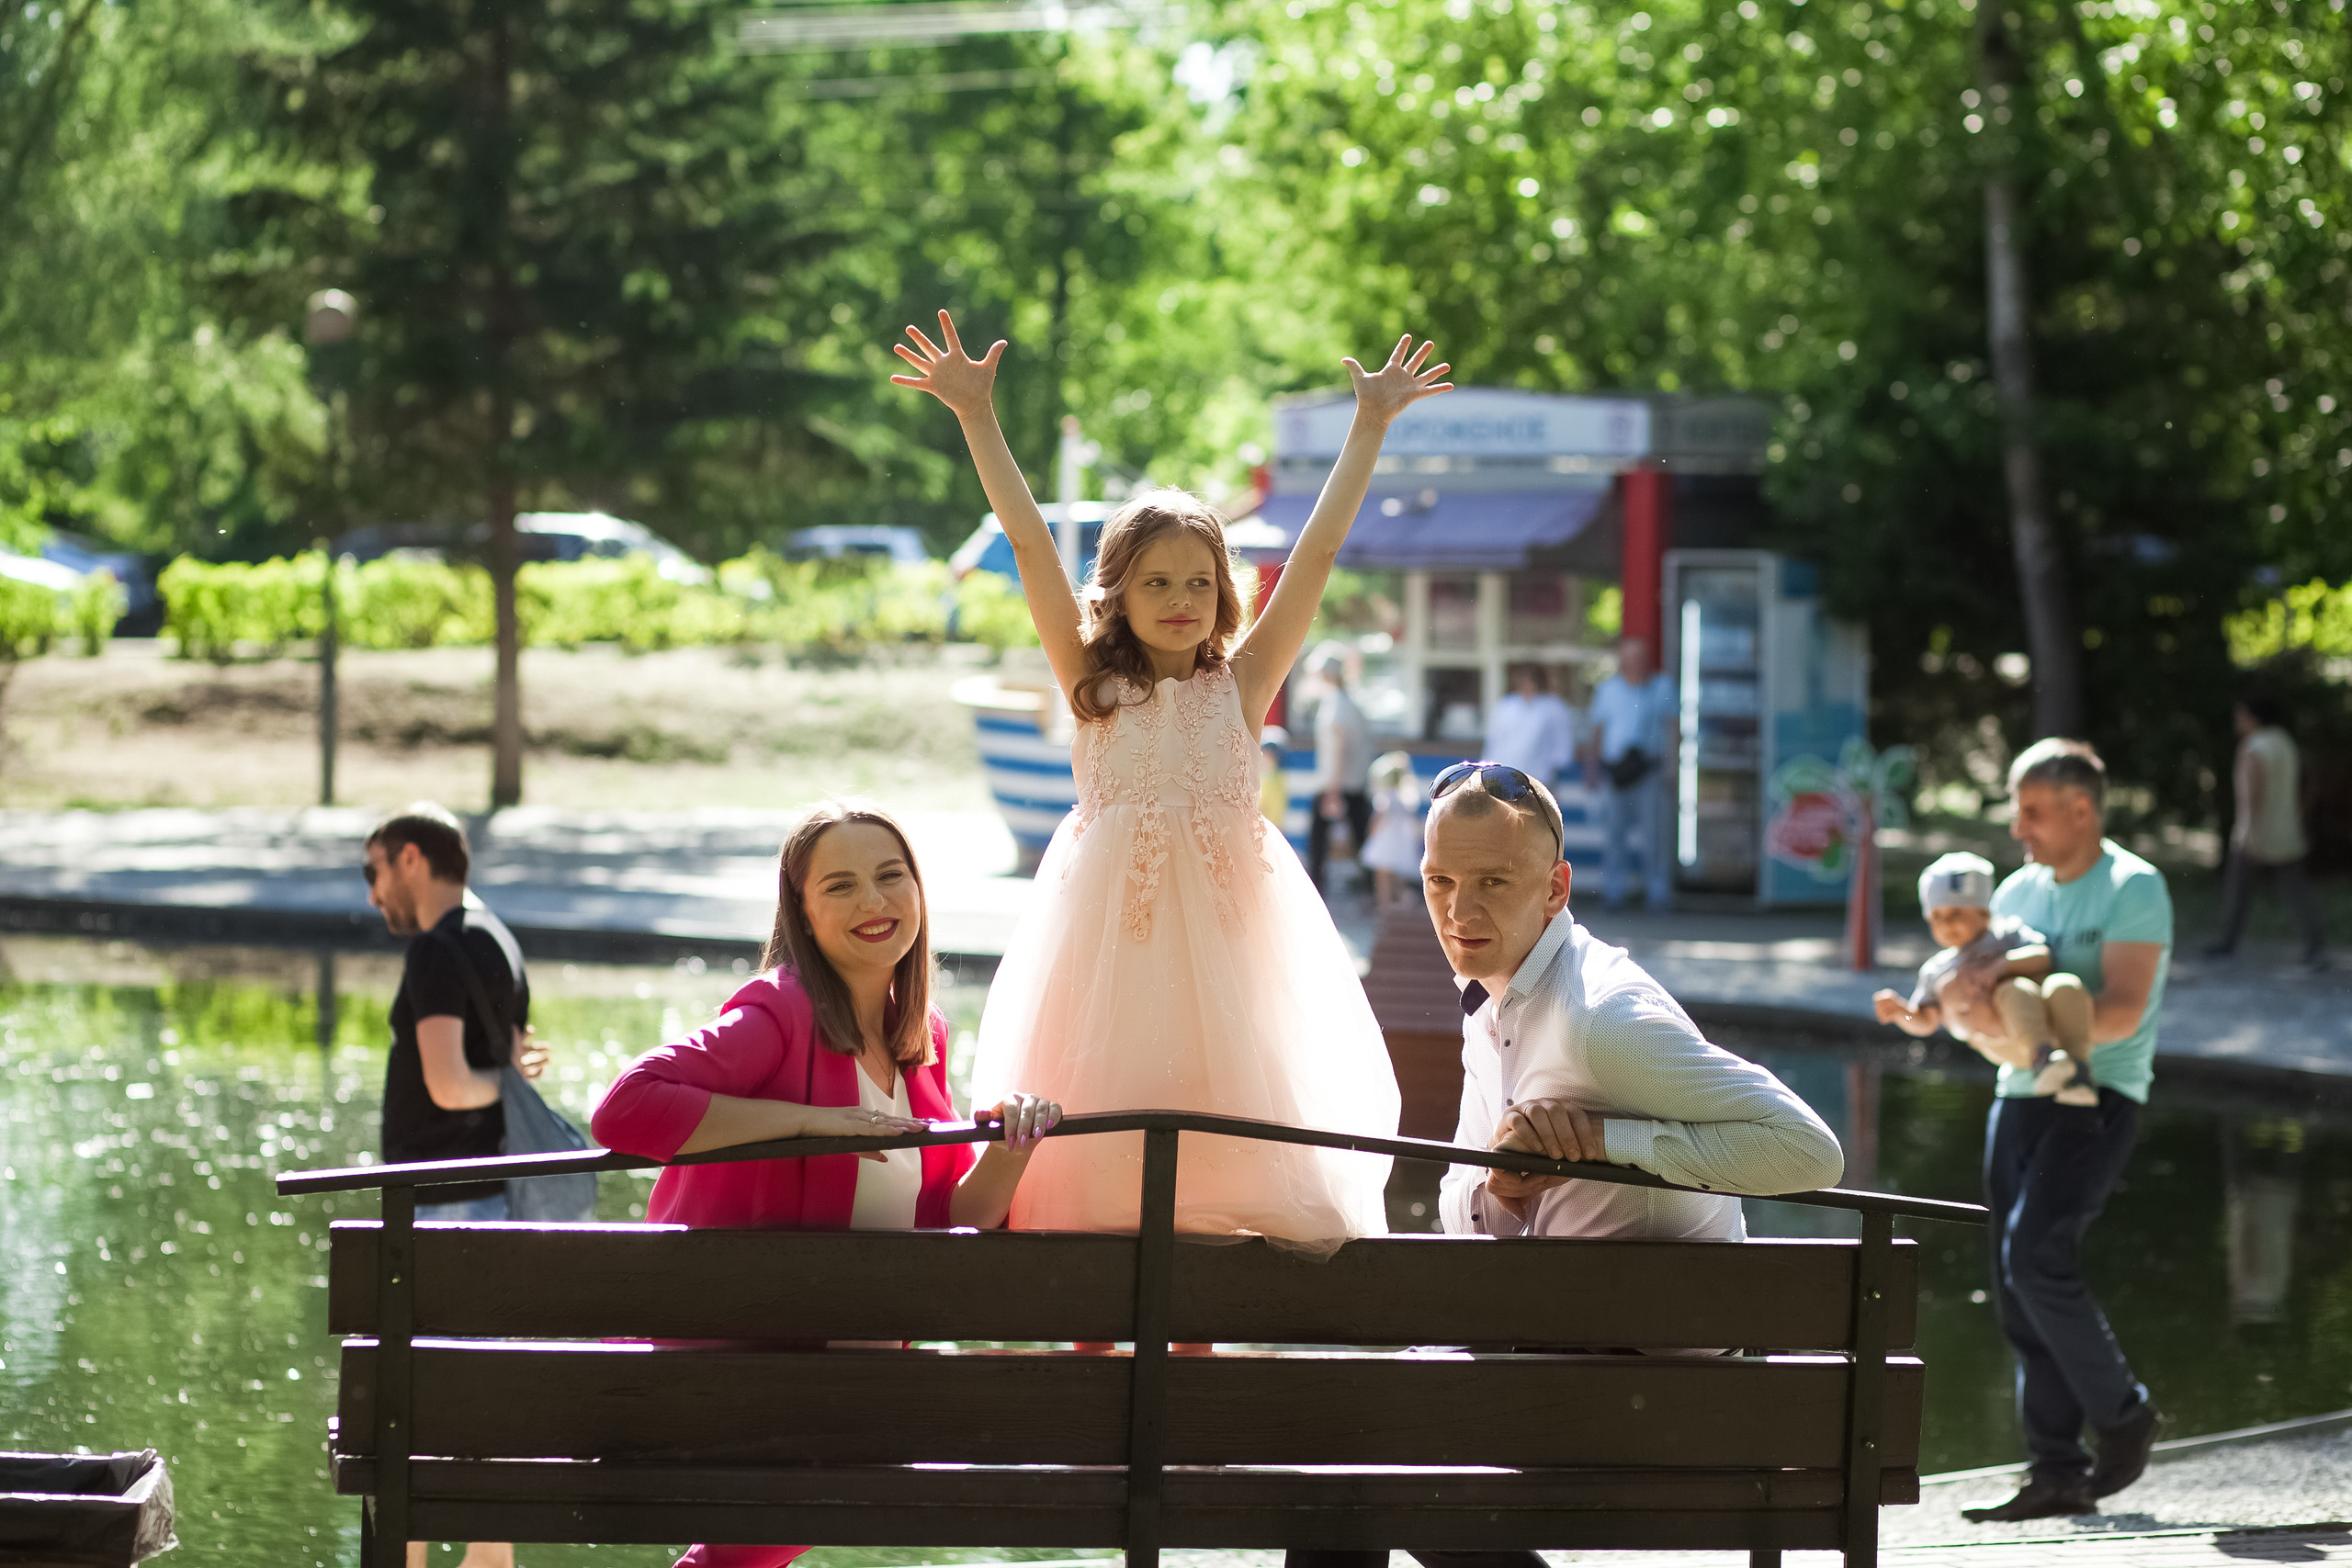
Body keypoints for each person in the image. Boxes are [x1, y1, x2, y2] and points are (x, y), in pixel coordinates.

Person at [892, 307, 1442, 1244]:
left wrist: (1369, 428)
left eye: (1198, 582)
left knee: (1225, 1165)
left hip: (1233, 946)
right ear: (1115, 591)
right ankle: (1092, 1348)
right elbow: (1029, 545)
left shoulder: (1245, 684)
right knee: (1093, 1158)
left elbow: (1315, 554)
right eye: (1155, 582)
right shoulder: (1092, 682)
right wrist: (977, 418)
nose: (1181, 600)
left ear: (1223, 591)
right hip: (1107, 942)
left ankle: (1195, 1359)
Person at [1283, 762, 1841, 1568]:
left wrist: (1612, 1145)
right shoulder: (1495, 989)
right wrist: (1505, 1186)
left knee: (1353, 1458)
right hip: (1572, 1355)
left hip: (1658, 1394)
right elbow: (1457, 1206)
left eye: (1492, 881)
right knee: (1343, 1451)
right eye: (1440, 879)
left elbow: (1811, 1150)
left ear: (1555, 888)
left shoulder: (1601, 1018)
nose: (1457, 909)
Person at [591, 800, 1062, 1568]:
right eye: (840, 886)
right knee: (822, 1480)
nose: (874, 902)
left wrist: (1012, 1148)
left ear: (918, 891)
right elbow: (623, 1107)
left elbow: (944, 1212)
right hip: (745, 1366)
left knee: (822, 1480)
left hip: (840, 1377)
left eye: (890, 876)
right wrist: (807, 1120)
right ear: (802, 915)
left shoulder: (923, 1036)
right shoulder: (779, 1010)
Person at [1958, 739, 2169, 1524]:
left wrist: (2027, 1016)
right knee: (2015, 1281)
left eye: (2034, 809)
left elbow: (2119, 1010)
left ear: (2082, 808)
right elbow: (1987, 1007)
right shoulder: (2015, 890)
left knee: (2035, 1255)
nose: (2020, 826)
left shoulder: (2133, 885)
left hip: (2097, 1091)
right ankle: (2056, 1470)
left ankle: (2124, 1412)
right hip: (2017, 1093)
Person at [362, 804, 547, 1568]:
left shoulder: (439, 949)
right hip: (494, 1197)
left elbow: (448, 1084)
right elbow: (514, 1056)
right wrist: (513, 1077)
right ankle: (489, 1557)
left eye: (373, 871)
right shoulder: (498, 936)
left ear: (411, 858)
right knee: (479, 1403)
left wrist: (502, 1081)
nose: (372, 893)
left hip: (441, 1202)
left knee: (419, 1414)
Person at [1873, 852, 2096, 1106]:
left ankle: (2079, 1072)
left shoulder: (2007, 934)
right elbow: (1927, 1021)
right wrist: (1902, 1013)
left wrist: (2002, 965)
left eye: (1957, 913)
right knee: (2014, 990)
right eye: (1937, 917)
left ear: (1984, 913)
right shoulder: (1937, 969)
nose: (1946, 925)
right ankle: (2042, 1058)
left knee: (2063, 984)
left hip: (2044, 1022)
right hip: (2003, 1041)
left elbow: (2044, 956)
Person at [2205, 690, 2329, 969]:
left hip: (2257, 831)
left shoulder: (2253, 747)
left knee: (2238, 890)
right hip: (2287, 829)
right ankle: (2316, 945)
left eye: (2240, 713)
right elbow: (2303, 785)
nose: (2236, 719)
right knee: (2297, 891)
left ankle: (2227, 943)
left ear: (2251, 717)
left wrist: (2249, 832)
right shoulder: (2285, 742)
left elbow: (2254, 795)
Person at [1586, 636, 1677, 913]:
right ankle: (1614, 892)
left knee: (1654, 836)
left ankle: (1657, 893)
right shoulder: (1608, 690)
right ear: (1622, 661)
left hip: (1649, 769)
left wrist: (1673, 766)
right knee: (1614, 836)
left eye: (1641, 658)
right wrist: (1592, 768)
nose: (1636, 664)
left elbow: (1673, 728)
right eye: (1630, 658)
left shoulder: (1662, 686)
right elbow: (1597, 732)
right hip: (1616, 772)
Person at [1307, 644, 1375, 897]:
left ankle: (1314, 887)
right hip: (1354, 783)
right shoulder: (1348, 702)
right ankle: (1372, 886)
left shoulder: (1335, 703)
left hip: (1336, 783)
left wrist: (1332, 790)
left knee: (1319, 840)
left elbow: (1338, 745)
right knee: (1362, 836)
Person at [1484, 662, 1576, 786]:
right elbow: (1494, 741)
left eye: (1530, 680)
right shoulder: (1506, 705)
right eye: (1522, 681)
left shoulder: (1553, 707)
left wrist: (1555, 766)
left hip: (1539, 777)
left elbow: (1562, 742)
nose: (1526, 685)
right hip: (1505, 777)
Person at [1358, 750, 1425, 907]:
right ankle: (1401, 902)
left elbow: (1378, 818)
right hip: (1401, 839)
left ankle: (1385, 904)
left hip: (1385, 839)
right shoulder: (1408, 796)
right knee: (1398, 876)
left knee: (1382, 875)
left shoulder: (1384, 796)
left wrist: (1371, 834)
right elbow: (1412, 820)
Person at [1259, 724, 1292, 829]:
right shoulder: (1257, 778)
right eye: (1267, 751)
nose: (1270, 756)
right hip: (1260, 829)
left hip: (1273, 828)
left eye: (1273, 752)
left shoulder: (1281, 778)